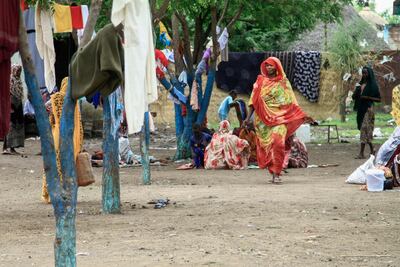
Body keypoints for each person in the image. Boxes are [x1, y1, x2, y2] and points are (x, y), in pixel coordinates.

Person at [243, 57, 312, 184]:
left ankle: (276, 173)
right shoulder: (260, 81)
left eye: (271, 65)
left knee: (277, 142)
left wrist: (300, 116)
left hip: (280, 118)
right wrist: (247, 119)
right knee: (268, 147)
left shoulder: (283, 82)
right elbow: (253, 102)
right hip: (262, 121)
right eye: (267, 65)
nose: (269, 68)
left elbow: (291, 102)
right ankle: (272, 170)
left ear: (277, 67)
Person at [41, 77, 83, 203]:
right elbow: (79, 124)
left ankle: (51, 193)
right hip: (71, 137)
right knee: (67, 164)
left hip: (57, 135)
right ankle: (67, 192)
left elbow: (46, 110)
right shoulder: (74, 101)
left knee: (55, 162)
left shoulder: (56, 98)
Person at [352, 66, 381, 159]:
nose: (364, 75)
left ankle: (361, 153)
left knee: (364, 128)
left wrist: (367, 97)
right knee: (364, 129)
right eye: (363, 73)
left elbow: (378, 99)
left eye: (366, 73)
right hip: (361, 108)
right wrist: (356, 93)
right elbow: (355, 97)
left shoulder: (373, 85)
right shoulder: (360, 84)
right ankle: (372, 149)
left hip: (368, 109)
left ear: (369, 74)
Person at [3, 64, 25, 155]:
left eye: (19, 71)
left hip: (18, 106)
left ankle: (11, 148)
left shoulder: (19, 81)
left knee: (16, 126)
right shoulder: (9, 81)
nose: (18, 72)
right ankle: (7, 148)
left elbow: (20, 94)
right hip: (11, 106)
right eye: (16, 70)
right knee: (10, 126)